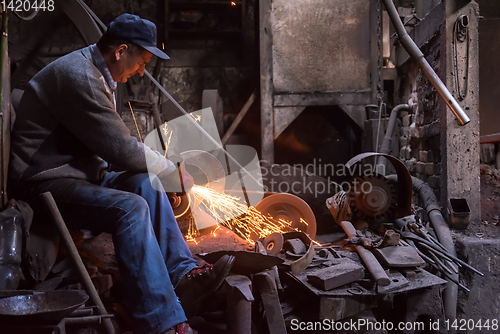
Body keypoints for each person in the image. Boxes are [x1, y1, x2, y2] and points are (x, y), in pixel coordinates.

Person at [8, 13, 234, 334]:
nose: (141, 71)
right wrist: (174, 170)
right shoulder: (80, 77)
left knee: (147, 184)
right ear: (120, 51)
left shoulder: (98, 74)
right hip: (44, 182)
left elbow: (117, 154)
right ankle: (161, 321)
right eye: (141, 62)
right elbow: (122, 149)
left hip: (80, 175)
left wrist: (161, 174)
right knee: (131, 208)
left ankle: (182, 277)